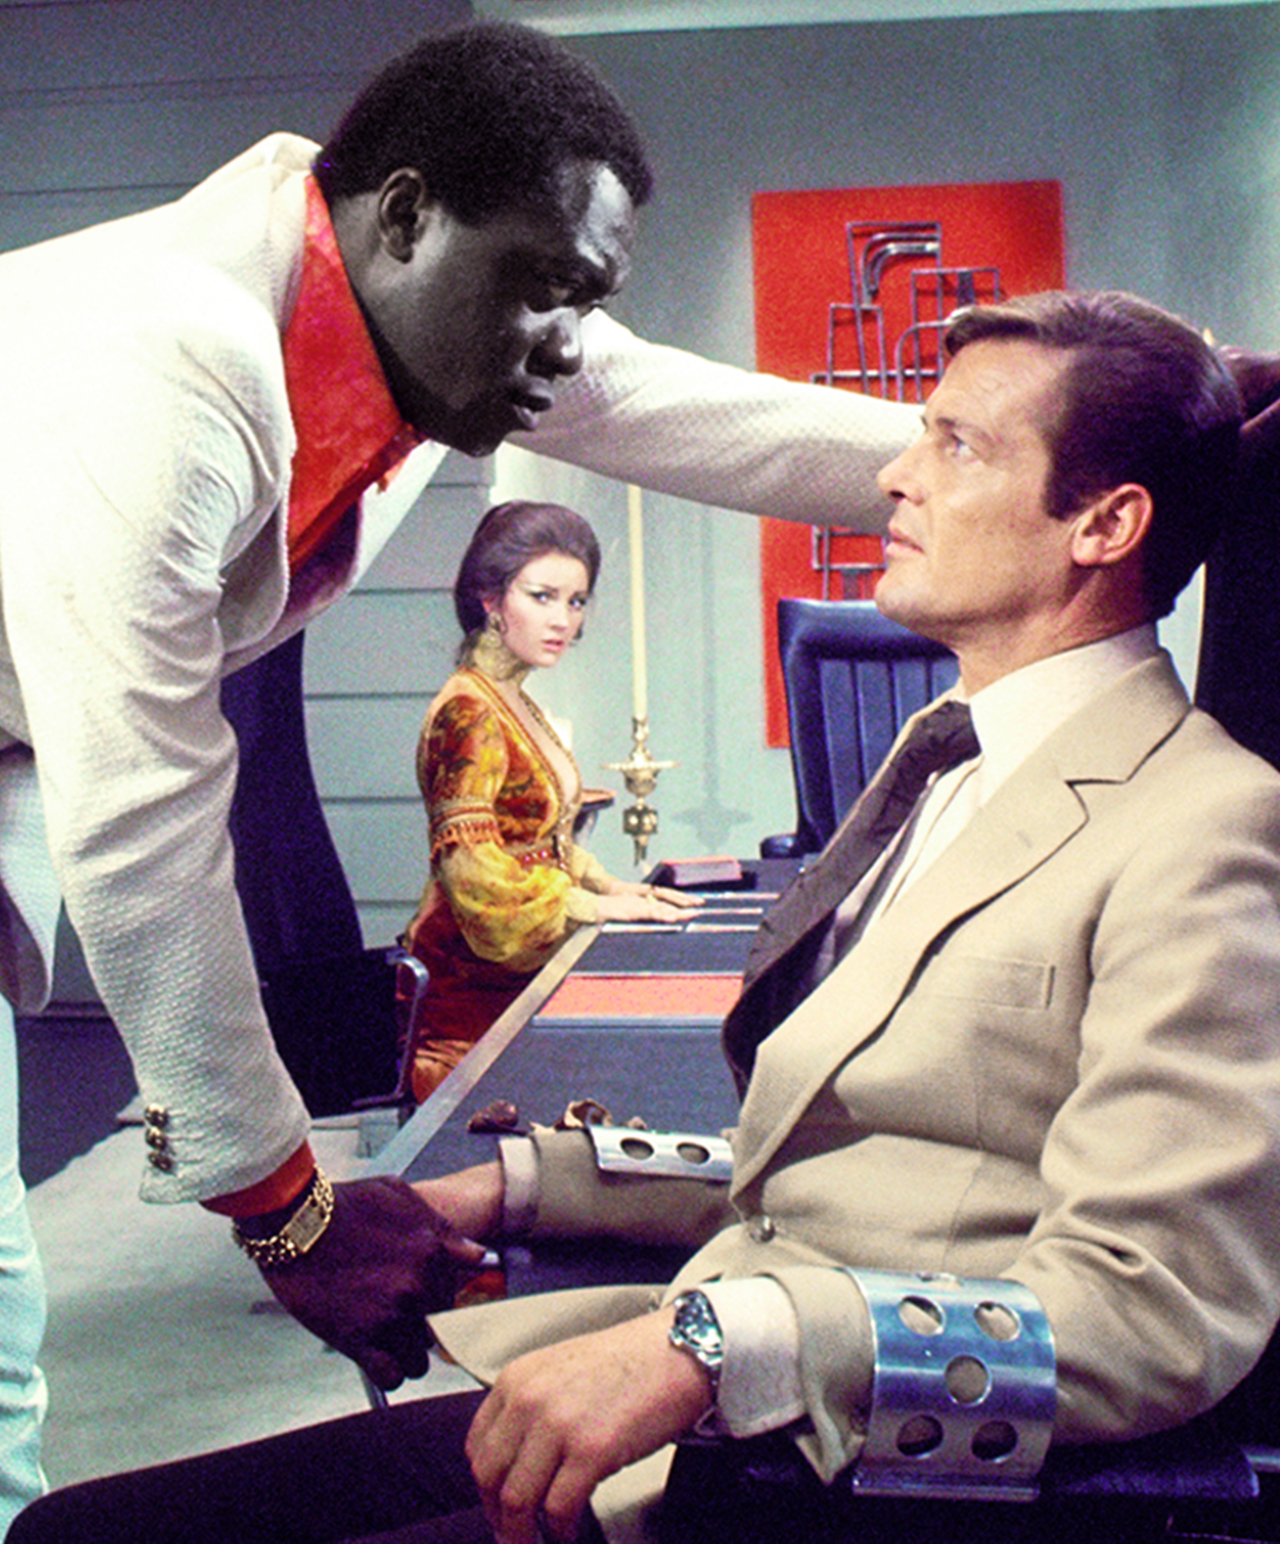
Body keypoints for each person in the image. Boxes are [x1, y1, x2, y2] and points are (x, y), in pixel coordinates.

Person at [17, 288, 1280, 1544]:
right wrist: (521, 1182)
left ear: (1105, 523)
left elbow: (1155, 1310)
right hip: (709, 1402)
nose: (893, 475)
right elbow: (838, 1157)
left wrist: (716, 1345)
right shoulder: (948, 753)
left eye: (953, 444)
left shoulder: (1206, 826)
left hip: (820, 1472)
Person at [0, 17, 917, 1529]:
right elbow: (144, 810)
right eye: (544, 287)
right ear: (407, 214)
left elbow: (719, 420)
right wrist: (287, 1212)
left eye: (587, 301)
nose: (567, 342)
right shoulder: (167, 357)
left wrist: (1102, 433)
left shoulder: (423, 318)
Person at [403, 500, 689, 1100]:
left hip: (520, 980)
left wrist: (616, 888)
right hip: (473, 1002)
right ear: (489, 599)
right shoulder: (467, 712)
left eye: (576, 601)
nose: (563, 620)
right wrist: (599, 908)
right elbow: (475, 878)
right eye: (542, 597)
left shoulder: (510, 697)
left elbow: (539, 838)